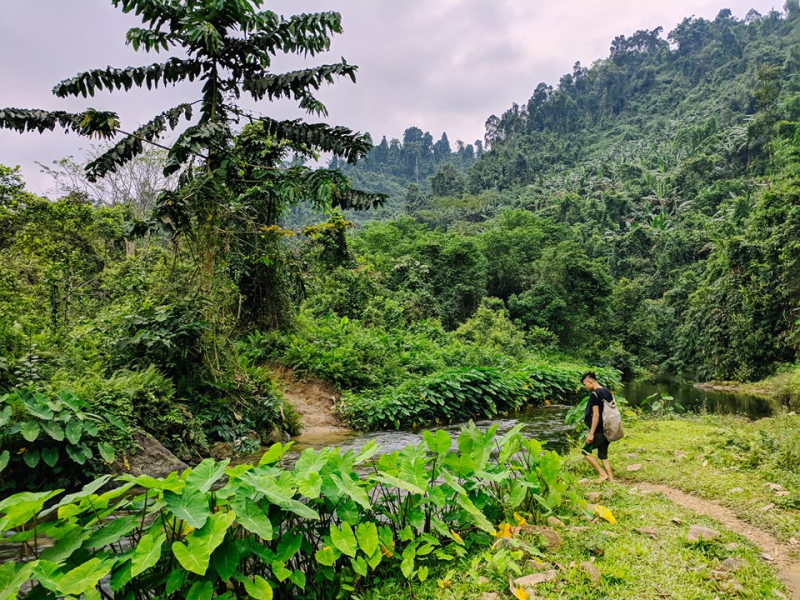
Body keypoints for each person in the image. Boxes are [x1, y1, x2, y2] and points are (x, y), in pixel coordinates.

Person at [580, 372, 614, 482]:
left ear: (590, 381)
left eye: (585, 384)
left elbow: (596, 415)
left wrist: (591, 434)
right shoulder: (607, 391)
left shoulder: (595, 394)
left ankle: (602, 474)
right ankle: (612, 480)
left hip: (599, 431)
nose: (586, 387)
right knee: (603, 455)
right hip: (607, 429)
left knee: (585, 452)